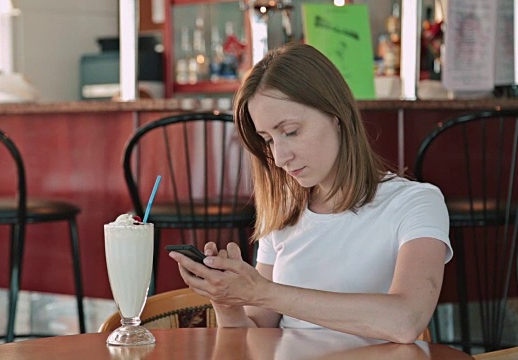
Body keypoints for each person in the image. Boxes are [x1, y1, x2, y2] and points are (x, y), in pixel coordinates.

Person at [168, 42, 452, 344]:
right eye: (268, 139)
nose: (279, 157)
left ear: (336, 115)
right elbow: (253, 337)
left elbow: (406, 320)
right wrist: (228, 301)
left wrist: (264, 292)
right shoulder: (285, 213)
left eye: (290, 131)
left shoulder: (415, 204)